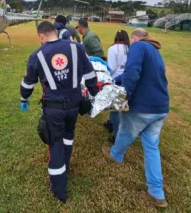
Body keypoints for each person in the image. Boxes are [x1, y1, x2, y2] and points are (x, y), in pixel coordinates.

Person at [19, 21, 99, 202]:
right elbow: (90, 74)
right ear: (55, 32)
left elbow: (28, 83)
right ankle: (66, 166)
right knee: (68, 136)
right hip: (74, 106)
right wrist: (95, 94)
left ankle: (59, 189)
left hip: (53, 109)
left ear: (41, 36)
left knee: (55, 143)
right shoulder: (77, 48)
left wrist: (24, 99)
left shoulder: (37, 55)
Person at [102, 28, 169, 208]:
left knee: (125, 132)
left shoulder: (138, 46)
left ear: (134, 38)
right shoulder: (153, 50)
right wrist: (112, 82)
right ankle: (157, 193)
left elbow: (132, 73)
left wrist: (123, 97)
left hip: (143, 107)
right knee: (151, 146)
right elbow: (130, 74)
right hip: (161, 107)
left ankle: (115, 155)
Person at [104, 30, 130, 143]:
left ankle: (115, 134)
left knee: (115, 108)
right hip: (127, 79)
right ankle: (112, 124)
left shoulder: (113, 49)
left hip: (116, 79)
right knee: (124, 106)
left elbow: (112, 67)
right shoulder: (130, 48)